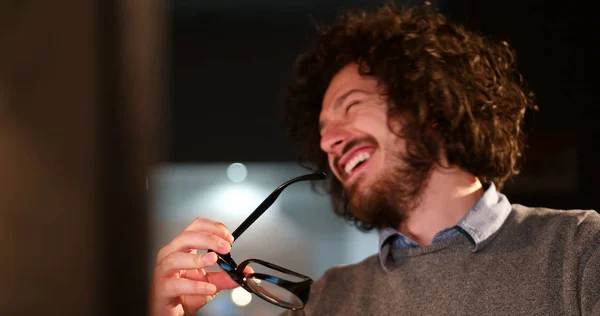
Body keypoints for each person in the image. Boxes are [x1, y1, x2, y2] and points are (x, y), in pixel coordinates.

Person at [150, 2, 600, 315]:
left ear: (434, 109)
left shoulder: (581, 251)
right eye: (323, 133)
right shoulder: (326, 301)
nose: (329, 143)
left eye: (351, 107)